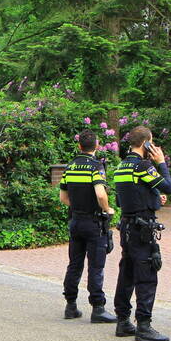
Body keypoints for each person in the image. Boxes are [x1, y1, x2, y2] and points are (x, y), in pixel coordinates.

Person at [112, 125, 171, 341]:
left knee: (127, 273)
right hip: (142, 229)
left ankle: (122, 321)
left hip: (126, 227)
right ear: (146, 143)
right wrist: (161, 162)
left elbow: (122, 199)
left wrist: (154, 198)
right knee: (147, 275)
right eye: (152, 142)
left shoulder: (121, 166)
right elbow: (168, 186)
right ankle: (144, 326)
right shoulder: (143, 165)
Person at [58, 129, 117, 323]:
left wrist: (77, 207)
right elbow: (100, 193)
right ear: (97, 145)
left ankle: (70, 306)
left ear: (79, 146)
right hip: (93, 222)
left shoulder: (70, 167)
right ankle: (98, 308)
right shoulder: (95, 166)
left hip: (75, 221)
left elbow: (63, 197)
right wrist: (107, 209)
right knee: (95, 266)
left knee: (74, 264)